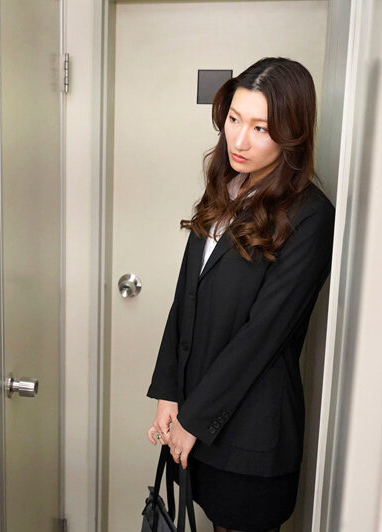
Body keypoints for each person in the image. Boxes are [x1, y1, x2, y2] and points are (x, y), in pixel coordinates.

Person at [145, 58, 335, 532]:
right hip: (199, 416)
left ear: (292, 134)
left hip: (251, 435)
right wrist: (169, 392)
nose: (239, 140)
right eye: (234, 119)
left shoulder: (311, 215)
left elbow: (262, 336)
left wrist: (194, 419)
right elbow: (185, 299)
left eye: (260, 128)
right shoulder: (225, 189)